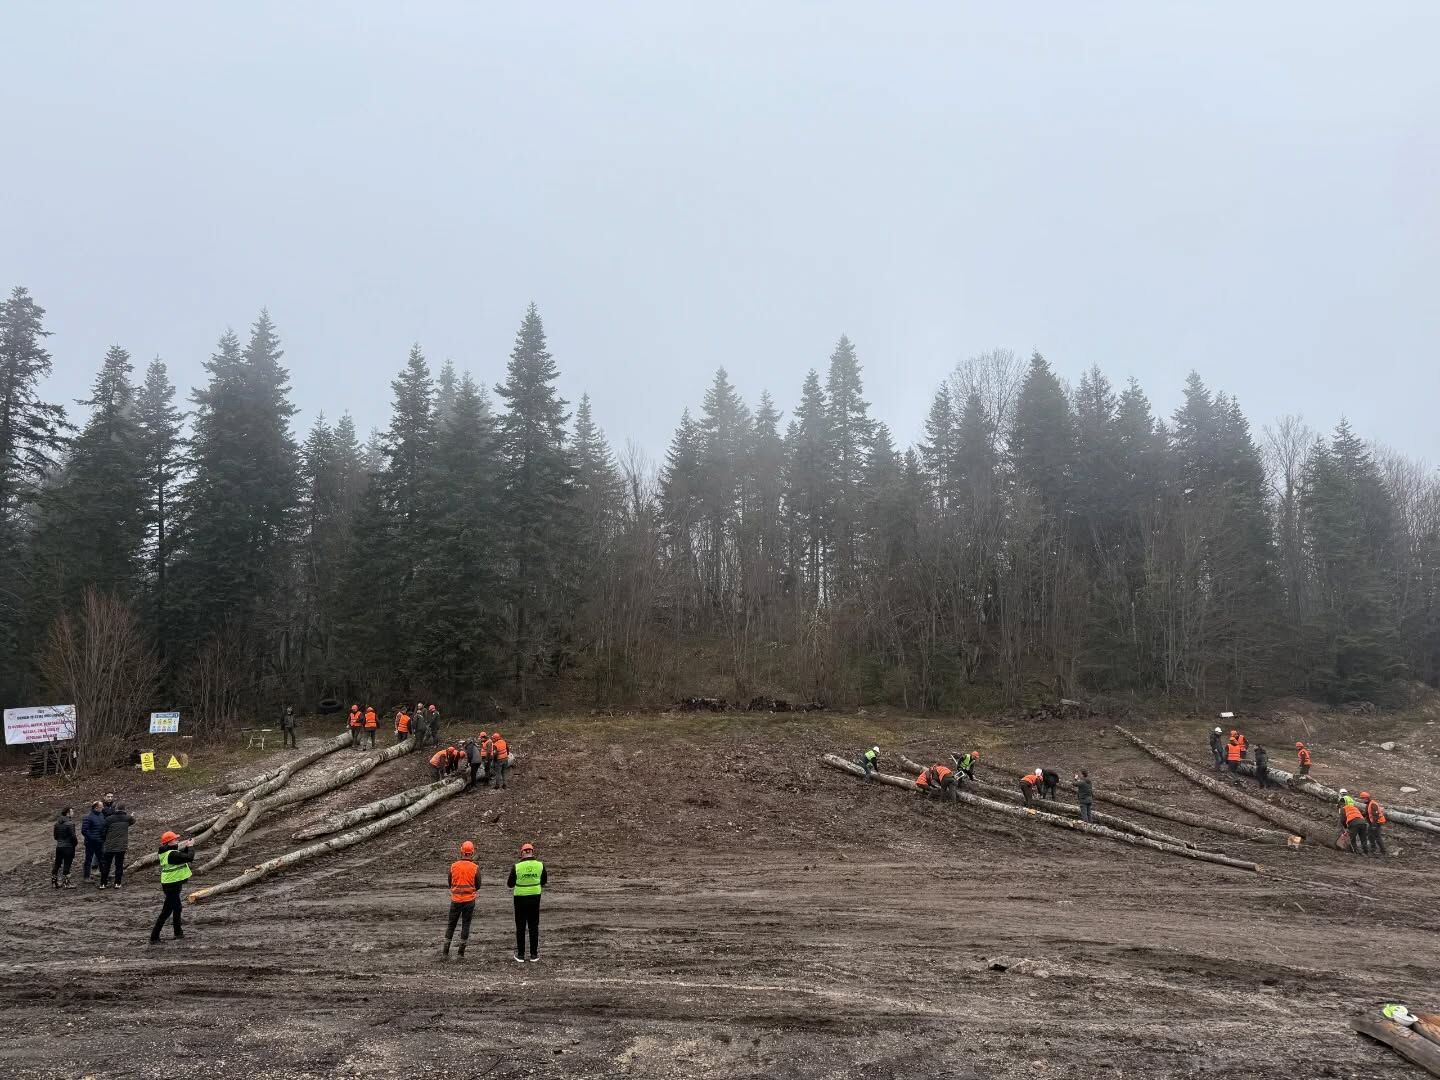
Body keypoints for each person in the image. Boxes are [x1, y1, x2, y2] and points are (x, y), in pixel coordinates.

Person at [150, 831, 194, 943]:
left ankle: (177, 933)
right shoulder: (172, 854)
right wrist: (191, 847)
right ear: (169, 842)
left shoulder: (168, 852)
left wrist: (188, 847)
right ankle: (155, 937)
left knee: (174, 909)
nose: (177, 841)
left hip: (172, 883)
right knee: (168, 911)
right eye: (175, 839)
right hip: (171, 885)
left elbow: (180, 854)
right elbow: (189, 857)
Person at [508, 842, 547, 963]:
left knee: (520, 926)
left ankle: (520, 955)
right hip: (535, 898)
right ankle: (534, 955)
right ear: (532, 852)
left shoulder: (517, 866)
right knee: (533, 926)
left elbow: (510, 884)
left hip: (520, 898)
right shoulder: (540, 865)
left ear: (522, 853)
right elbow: (544, 881)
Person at [443, 840, 480, 958]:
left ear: (461, 851)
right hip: (469, 901)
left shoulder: (453, 866)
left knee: (451, 925)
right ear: (472, 852)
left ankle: (445, 952)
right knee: (466, 925)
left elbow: (450, 883)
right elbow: (478, 885)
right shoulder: (475, 867)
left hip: (456, 900)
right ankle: (461, 953)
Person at [100, 803, 134, 889]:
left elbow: (103, 831)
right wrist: (131, 816)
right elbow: (132, 821)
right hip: (121, 846)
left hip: (109, 845)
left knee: (106, 865)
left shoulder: (109, 819)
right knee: (119, 865)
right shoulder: (127, 818)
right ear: (124, 809)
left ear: (116, 809)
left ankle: (103, 883)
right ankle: (117, 883)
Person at [81, 801, 107, 882]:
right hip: (90, 843)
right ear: (96, 807)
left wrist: (103, 835)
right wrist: (93, 838)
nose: (103, 808)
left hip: (100, 842)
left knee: (102, 859)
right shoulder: (88, 817)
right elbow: (84, 831)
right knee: (88, 859)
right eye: (101, 806)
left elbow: (103, 827)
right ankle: (86, 877)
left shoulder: (102, 815)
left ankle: (104, 875)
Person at [52, 807, 77, 888]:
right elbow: (73, 836)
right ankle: (66, 883)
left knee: (57, 864)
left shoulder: (57, 823)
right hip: (68, 847)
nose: (73, 813)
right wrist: (75, 844)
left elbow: (55, 836)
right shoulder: (70, 823)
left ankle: (54, 882)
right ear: (68, 813)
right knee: (67, 864)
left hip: (59, 847)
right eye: (72, 812)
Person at [1360, 792, 1387, 857]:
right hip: (1373, 823)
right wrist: (1358, 815)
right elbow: (1366, 813)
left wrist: (1374, 825)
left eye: (1362, 798)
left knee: (1377, 837)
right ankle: (1373, 848)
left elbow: (1376, 815)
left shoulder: (1373, 804)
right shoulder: (1368, 804)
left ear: (1366, 798)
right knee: (1370, 836)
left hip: (1377, 823)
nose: (1362, 800)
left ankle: (1383, 851)